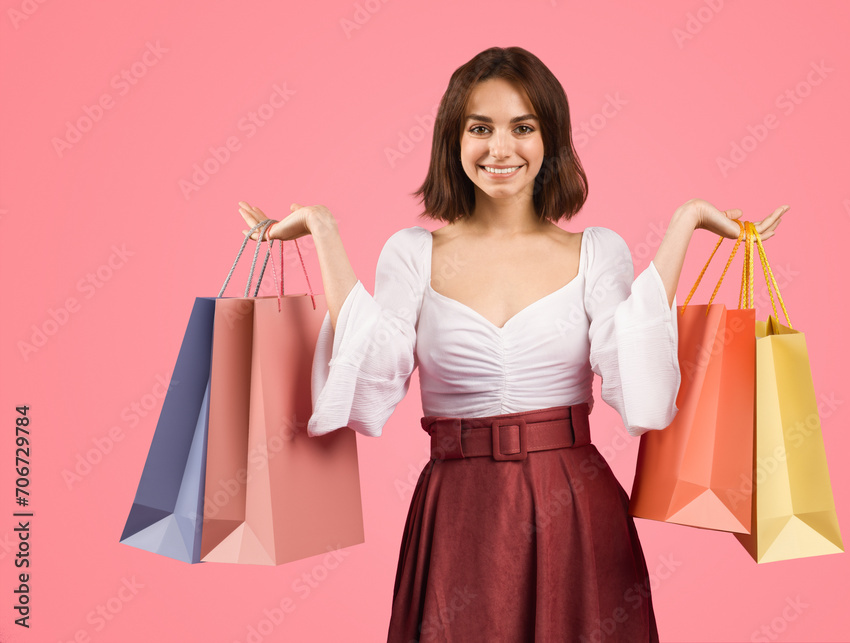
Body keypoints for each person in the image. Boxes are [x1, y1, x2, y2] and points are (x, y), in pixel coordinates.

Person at [237, 46, 788, 642]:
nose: (501, 149)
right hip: (457, 511)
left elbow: (645, 397)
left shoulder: (597, 252)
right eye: (481, 128)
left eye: (523, 128)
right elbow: (367, 382)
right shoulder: (411, 254)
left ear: (551, 140)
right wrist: (323, 228)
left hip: (574, 509)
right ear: (454, 139)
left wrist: (688, 220)